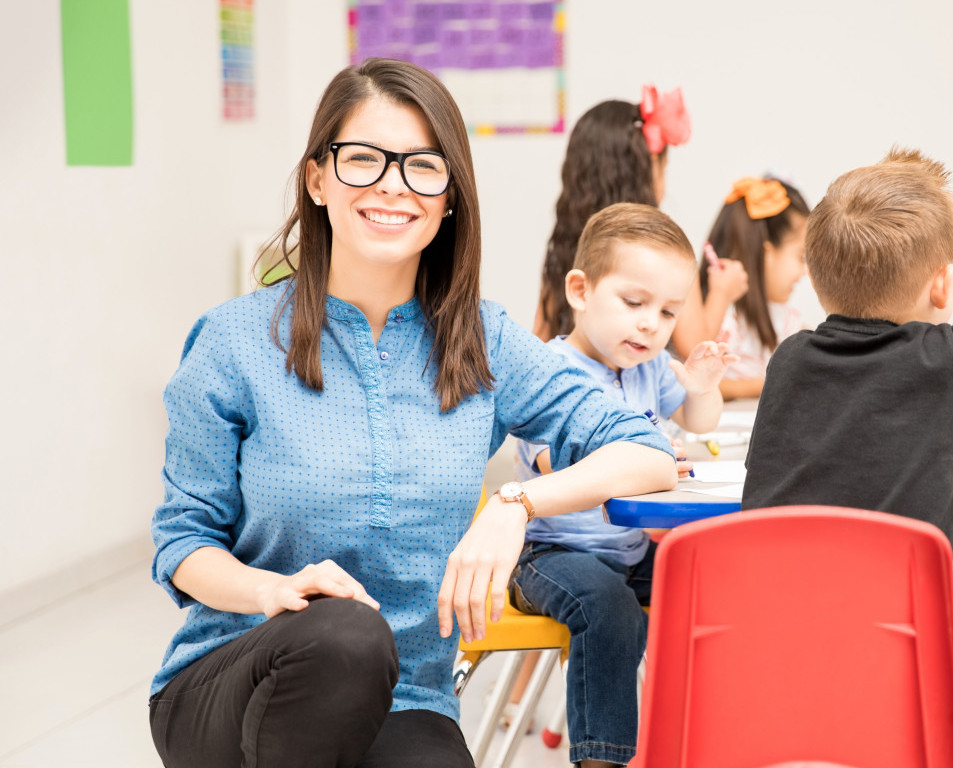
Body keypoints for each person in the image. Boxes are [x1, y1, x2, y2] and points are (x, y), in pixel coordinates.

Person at [147, 59, 679, 768]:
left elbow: (646, 453)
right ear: (318, 178)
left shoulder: (482, 341)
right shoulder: (234, 341)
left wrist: (515, 505)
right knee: (346, 635)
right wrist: (271, 590)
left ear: (449, 196)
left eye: (423, 166)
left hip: (408, 697)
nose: (393, 186)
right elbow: (182, 545)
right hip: (235, 677)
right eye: (364, 159)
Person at [742, 148, 953, 768]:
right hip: (907, 679)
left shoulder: (788, 358)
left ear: (816, 280)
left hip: (776, 680)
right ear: (942, 282)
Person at [510, 202, 734, 767]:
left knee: (723, 581)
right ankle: (603, 759)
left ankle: (714, 741)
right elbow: (552, 473)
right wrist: (644, 463)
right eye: (635, 304)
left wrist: (703, 387)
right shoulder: (546, 373)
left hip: (630, 552)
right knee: (609, 609)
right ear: (580, 291)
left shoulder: (649, 370)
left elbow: (700, 424)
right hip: (551, 553)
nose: (650, 325)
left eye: (667, 313)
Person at [533, 85, 729, 342]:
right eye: (663, 169)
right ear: (646, 173)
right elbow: (693, 345)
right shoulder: (661, 249)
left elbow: (538, 339)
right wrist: (722, 292)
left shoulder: (563, 247)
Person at [689, 176, 810, 400]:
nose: (804, 271)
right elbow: (700, 380)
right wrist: (768, 384)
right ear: (766, 254)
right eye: (801, 257)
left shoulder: (787, 320)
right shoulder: (723, 318)